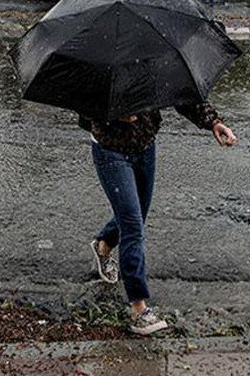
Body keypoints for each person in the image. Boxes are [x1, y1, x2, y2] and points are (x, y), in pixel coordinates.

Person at [81, 104, 237, 335]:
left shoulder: (150, 66)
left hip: (145, 146)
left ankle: (104, 244)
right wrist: (112, 113)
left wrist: (213, 122)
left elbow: (180, 91)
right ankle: (138, 308)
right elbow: (82, 104)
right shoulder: (96, 69)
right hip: (109, 149)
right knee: (133, 226)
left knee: (137, 216)